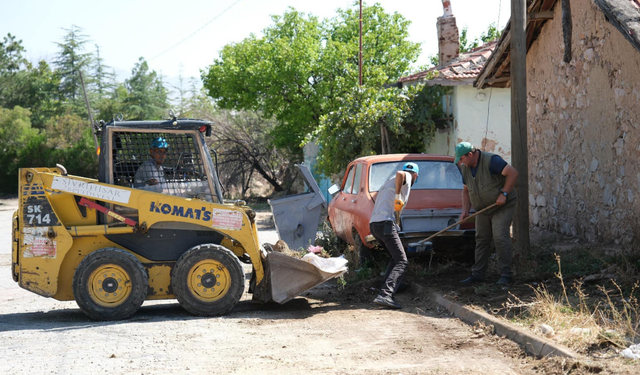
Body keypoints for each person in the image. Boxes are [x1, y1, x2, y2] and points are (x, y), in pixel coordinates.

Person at [454, 142, 519, 286]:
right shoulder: (465, 168)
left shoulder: (492, 161)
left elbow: (513, 173)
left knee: (500, 236)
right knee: (481, 239)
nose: (460, 162)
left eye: (461, 159)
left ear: (470, 155)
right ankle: (478, 274)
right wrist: (465, 211)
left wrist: (504, 193)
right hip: (482, 210)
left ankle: (507, 275)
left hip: (502, 206)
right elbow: (466, 190)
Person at [369, 162, 419, 309]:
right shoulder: (407, 177)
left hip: (375, 225)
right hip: (385, 224)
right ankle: (385, 294)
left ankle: (392, 285)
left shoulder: (388, 183)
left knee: (395, 257)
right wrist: (398, 196)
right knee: (402, 261)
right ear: (416, 175)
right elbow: (401, 174)